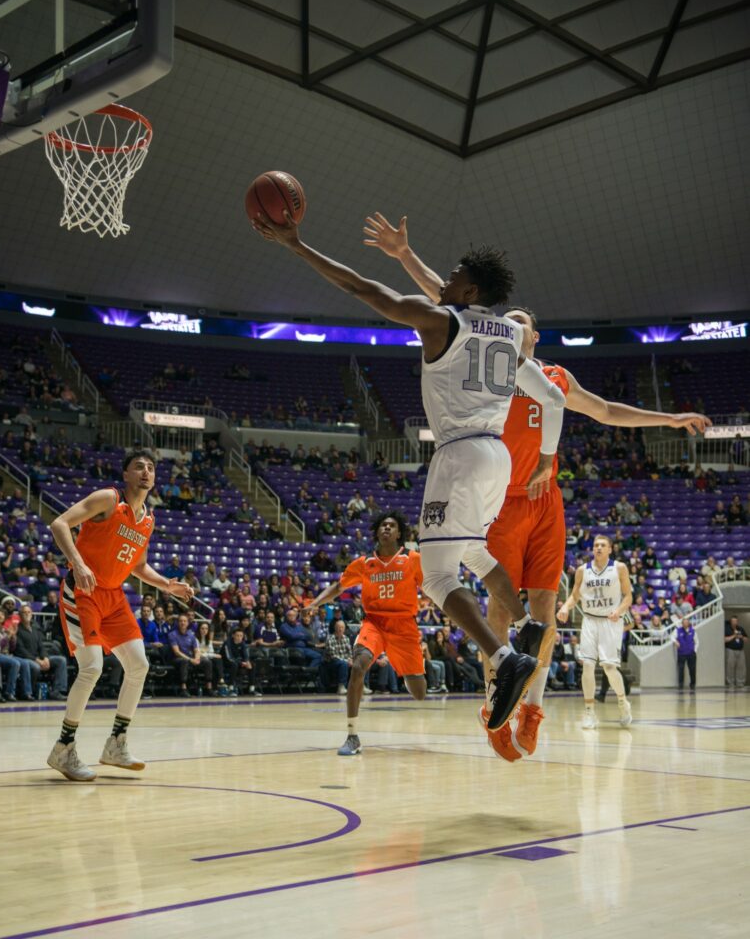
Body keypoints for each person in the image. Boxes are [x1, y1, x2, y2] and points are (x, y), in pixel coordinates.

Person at [254, 209, 562, 732]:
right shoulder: (510, 335)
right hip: (498, 459)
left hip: (460, 455)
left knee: (440, 576)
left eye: (457, 272)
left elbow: (365, 290)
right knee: (473, 551)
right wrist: (549, 458)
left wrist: (298, 246)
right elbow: (551, 396)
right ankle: (529, 624)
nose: (448, 277)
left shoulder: (445, 319)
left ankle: (505, 657)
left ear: (470, 289)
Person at [380, 278, 709, 761]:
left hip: (545, 501)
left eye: (520, 325)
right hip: (502, 499)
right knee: (498, 606)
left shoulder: (553, 377)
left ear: (535, 338)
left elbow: (606, 411)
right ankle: (496, 699)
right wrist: (405, 258)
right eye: (505, 323)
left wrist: (669, 419)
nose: (509, 328)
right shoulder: (493, 368)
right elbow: (456, 305)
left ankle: (533, 707)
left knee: (544, 607)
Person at [46, 449, 193, 782]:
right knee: (92, 667)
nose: (146, 472)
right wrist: (78, 563)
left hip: (113, 596)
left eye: (151, 468)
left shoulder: (148, 519)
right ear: (126, 474)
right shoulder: (108, 499)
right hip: (83, 592)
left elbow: (138, 567)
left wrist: (167, 586)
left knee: (139, 664)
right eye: (138, 467)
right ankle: (63, 748)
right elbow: (59, 524)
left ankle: (116, 743)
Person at [311, 510, 427, 755]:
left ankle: (404, 668)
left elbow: (432, 586)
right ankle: (352, 736)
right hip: (374, 623)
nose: (386, 528)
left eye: (392, 525)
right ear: (376, 531)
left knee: (419, 693)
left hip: (404, 626)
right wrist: (314, 604)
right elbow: (337, 586)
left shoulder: (413, 559)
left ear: (399, 533)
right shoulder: (364, 563)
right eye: (383, 524)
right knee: (358, 666)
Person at [558, 536, 633, 729]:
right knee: (588, 666)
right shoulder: (583, 571)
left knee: (609, 667)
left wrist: (620, 611)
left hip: (610, 620)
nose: (598, 548)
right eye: (596, 545)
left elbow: (628, 596)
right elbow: (574, 595)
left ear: (610, 549)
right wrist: (566, 607)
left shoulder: (619, 568)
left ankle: (623, 702)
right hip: (590, 620)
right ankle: (590, 712)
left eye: (602, 545)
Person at [169, 614, 212, 697]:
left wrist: (196, 658)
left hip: (190, 658)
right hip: (177, 659)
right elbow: (177, 652)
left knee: (207, 661)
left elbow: (196, 650)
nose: (182, 623)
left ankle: (209, 688)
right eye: (181, 621)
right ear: (178, 623)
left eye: (184, 621)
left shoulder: (191, 635)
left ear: (188, 623)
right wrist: (190, 660)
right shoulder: (172, 634)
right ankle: (183, 689)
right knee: (184, 661)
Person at [674, 618, 697, 691]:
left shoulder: (692, 631)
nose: (685, 624)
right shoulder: (678, 630)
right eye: (684, 623)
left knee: (692, 669)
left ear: (688, 623)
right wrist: (675, 642)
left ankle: (692, 684)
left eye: (686, 623)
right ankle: (681, 685)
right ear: (682, 623)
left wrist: (694, 650)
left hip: (691, 654)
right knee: (681, 669)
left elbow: (697, 641)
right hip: (681, 653)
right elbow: (671, 637)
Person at [724, 616, 747, 689]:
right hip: (730, 650)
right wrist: (734, 636)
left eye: (736, 621)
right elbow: (725, 640)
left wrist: (742, 637)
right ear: (731, 622)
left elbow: (746, 639)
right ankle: (730, 683)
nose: (735, 622)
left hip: (740, 651)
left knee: (741, 667)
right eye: (733, 621)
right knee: (730, 667)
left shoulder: (740, 628)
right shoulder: (727, 629)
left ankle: (740, 683)